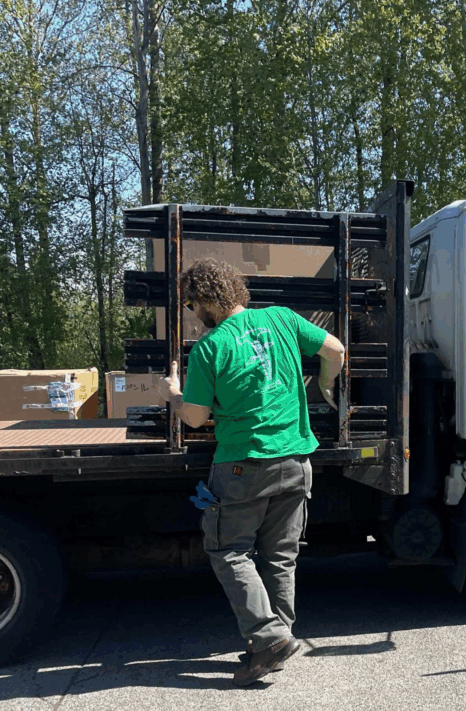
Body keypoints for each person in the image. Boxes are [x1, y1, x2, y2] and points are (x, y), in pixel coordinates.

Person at [156, 258, 345, 687]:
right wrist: (328, 386)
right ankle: (276, 643)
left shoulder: (210, 346)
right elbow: (335, 350)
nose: (191, 312)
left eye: (191, 303)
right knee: (281, 556)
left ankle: (268, 639)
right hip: (298, 460)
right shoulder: (281, 318)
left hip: (244, 464)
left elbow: (195, 417)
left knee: (229, 551)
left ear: (207, 299)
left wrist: (172, 395)